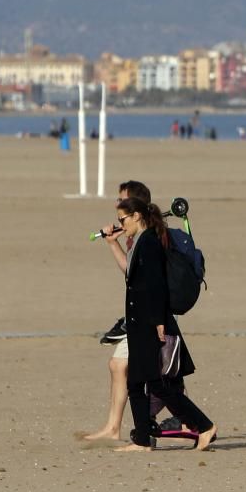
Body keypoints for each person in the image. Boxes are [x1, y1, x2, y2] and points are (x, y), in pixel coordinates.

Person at [108, 197, 216, 452]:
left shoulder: (150, 243)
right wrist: (113, 242)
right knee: (136, 382)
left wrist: (158, 323)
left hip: (151, 323)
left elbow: (155, 286)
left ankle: (205, 426)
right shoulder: (140, 242)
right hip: (139, 322)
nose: (121, 223)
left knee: (157, 384)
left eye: (123, 219)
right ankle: (143, 440)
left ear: (136, 216)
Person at [85, 180, 152, 441]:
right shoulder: (134, 236)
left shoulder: (146, 238)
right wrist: (114, 243)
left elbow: (133, 274)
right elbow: (131, 271)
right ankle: (114, 427)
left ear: (135, 210)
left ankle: (115, 428)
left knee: (122, 366)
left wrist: (113, 243)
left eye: (121, 201)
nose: (116, 206)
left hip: (147, 313)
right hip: (138, 312)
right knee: (151, 371)